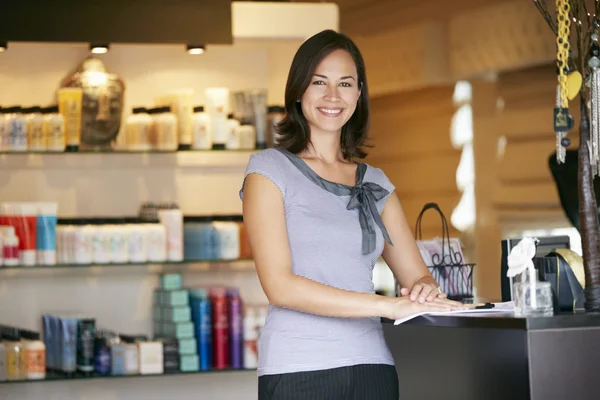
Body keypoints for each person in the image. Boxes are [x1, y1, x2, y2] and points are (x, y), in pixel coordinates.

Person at [240, 29, 467, 400]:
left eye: (345, 83)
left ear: (358, 94)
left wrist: (424, 287)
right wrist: (388, 305)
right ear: (299, 91)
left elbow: (416, 273)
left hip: (372, 366)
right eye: (319, 83)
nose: (333, 96)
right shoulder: (268, 172)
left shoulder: (374, 183)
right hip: (298, 368)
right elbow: (280, 286)